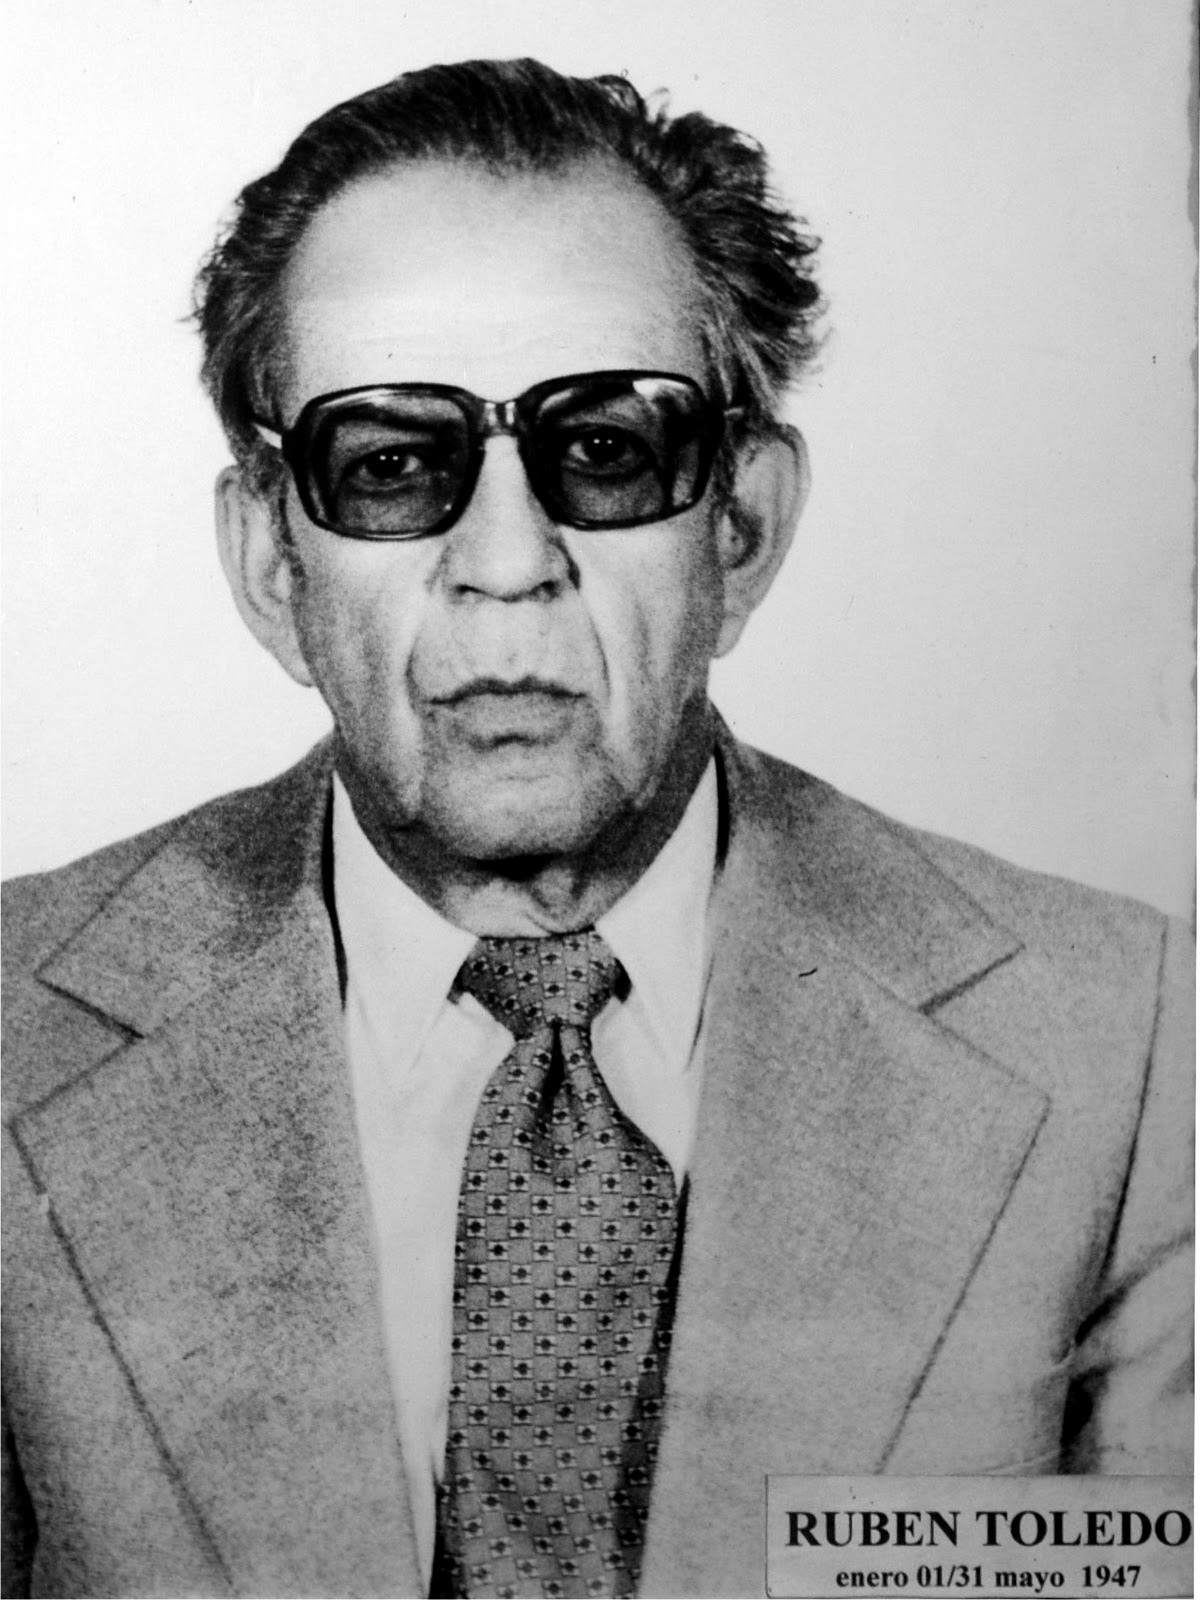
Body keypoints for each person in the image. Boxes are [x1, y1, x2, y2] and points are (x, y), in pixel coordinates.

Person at [1, 57, 1190, 1600]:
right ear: (270, 566)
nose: (508, 562)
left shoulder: (1131, 1048)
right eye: (390, 465)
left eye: (608, 451)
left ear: (743, 528)